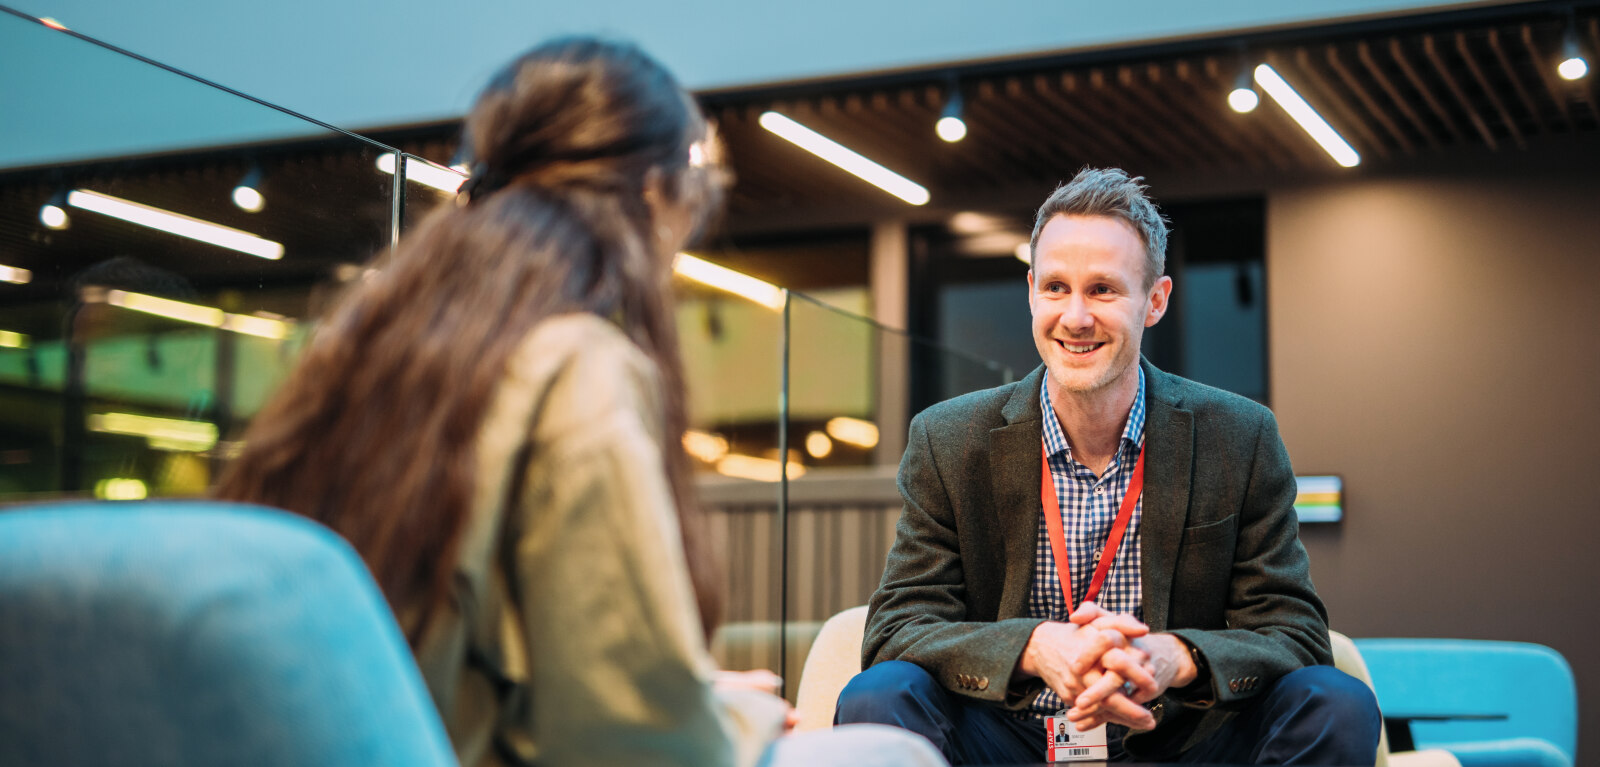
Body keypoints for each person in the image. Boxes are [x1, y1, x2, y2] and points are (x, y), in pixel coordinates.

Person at [215, 37, 941, 767]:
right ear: (654, 193)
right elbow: (629, 738)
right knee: (891, 754)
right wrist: (738, 717)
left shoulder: (365, 349)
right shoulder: (579, 366)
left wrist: (691, 696)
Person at [834, 168, 1381, 765]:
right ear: (1031, 292)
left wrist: (1178, 658)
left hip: (1179, 742)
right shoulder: (948, 439)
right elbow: (897, 628)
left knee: (1337, 703)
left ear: (1155, 301)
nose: (1075, 317)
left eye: (1102, 290)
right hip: (1007, 741)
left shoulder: (1239, 436)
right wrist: (1035, 646)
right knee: (879, 694)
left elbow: (1294, 631)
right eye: (1056, 287)